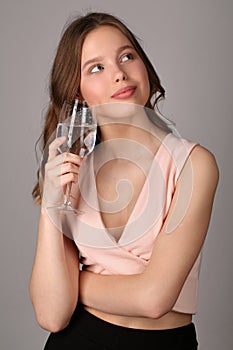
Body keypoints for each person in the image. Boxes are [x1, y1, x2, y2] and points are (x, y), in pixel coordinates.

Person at [30, 12, 219, 350]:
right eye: (96, 68)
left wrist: (73, 285)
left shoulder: (194, 165)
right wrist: (51, 203)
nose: (119, 73)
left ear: (144, 67)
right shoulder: (73, 169)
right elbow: (52, 315)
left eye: (127, 56)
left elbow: (154, 299)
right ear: (78, 93)